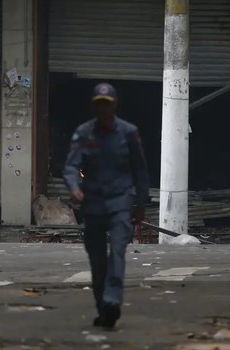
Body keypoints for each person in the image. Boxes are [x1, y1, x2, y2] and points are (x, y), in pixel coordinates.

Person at [63, 82, 149, 329]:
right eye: (99, 105)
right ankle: (104, 308)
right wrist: (73, 187)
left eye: (107, 105)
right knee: (97, 259)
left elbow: (140, 169)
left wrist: (140, 203)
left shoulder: (129, 132)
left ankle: (113, 300)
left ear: (115, 106)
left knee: (118, 251)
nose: (103, 109)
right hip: (93, 204)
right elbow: (70, 166)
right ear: (94, 106)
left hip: (120, 202)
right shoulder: (84, 133)